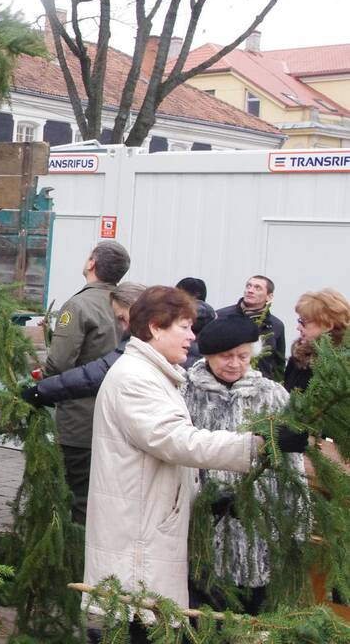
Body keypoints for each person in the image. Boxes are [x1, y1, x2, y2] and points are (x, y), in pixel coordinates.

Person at [83, 286, 307, 642]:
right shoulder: (137, 380)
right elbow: (179, 441)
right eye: (185, 327)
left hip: (157, 525)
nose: (193, 336)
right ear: (156, 328)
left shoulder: (156, 373)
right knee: (143, 625)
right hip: (141, 535)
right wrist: (260, 444)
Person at [182, 315, 303, 615]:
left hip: (257, 527)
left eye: (243, 356)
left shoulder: (272, 395)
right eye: (226, 356)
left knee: (250, 607)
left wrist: (295, 524)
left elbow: (292, 464)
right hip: (200, 524)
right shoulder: (186, 392)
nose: (235, 363)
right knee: (202, 609)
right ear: (208, 355)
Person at [44, 240, 130, 524]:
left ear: (92, 263)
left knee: (77, 499)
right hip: (118, 418)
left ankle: (77, 562)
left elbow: (59, 364)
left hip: (80, 421)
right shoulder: (125, 304)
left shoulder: (79, 304)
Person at [21, 282, 146, 408]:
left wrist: (42, 390)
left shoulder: (77, 305)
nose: (123, 327)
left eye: (122, 318)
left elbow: (94, 374)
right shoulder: (143, 339)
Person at [217, 275, 286, 381]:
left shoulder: (276, 325)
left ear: (269, 296)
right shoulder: (222, 316)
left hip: (261, 387)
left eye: (257, 288)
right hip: (225, 383)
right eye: (248, 286)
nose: (250, 290)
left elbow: (279, 364)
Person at [284, 287, 350, 393]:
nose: (298, 327)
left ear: (328, 324)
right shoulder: (298, 359)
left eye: (304, 321)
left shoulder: (343, 364)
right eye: (299, 320)